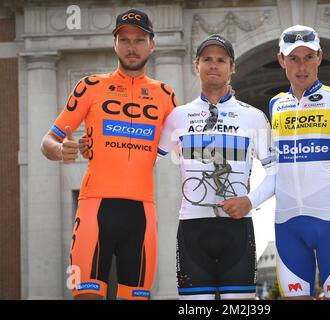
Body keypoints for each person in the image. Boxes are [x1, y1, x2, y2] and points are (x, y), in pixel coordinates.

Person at [222, 25, 330, 300]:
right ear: (281, 60)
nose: (302, 67)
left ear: (320, 57)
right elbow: (273, 167)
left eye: (309, 57)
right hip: (287, 226)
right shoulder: (276, 104)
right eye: (294, 58)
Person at [40, 8, 178, 300]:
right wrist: (60, 150)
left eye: (139, 40)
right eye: (124, 39)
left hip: (142, 211)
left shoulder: (165, 95)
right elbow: (48, 140)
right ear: (114, 43)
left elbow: (184, 149)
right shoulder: (90, 86)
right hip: (94, 208)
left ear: (152, 44)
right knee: (86, 296)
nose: (131, 47)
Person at [156, 34, 277, 300]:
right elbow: (147, 159)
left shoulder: (253, 117)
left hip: (237, 229)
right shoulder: (178, 116)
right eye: (207, 59)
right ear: (196, 65)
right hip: (192, 231)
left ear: (232, 67)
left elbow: (276, 173)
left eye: (221, 60)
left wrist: (249, 200)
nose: (214, 65)